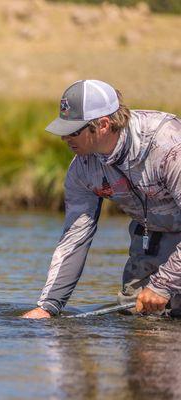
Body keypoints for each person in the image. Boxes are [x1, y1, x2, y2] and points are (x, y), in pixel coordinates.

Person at [23, 79, 181, 319]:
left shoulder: (169, 146)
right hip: (153, 234)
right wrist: (48, 307)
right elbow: (74, 238)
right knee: (139, 314)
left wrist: (163, 284)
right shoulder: (82, 170)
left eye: (73, 131)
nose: (64, 138)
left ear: (103, 125)